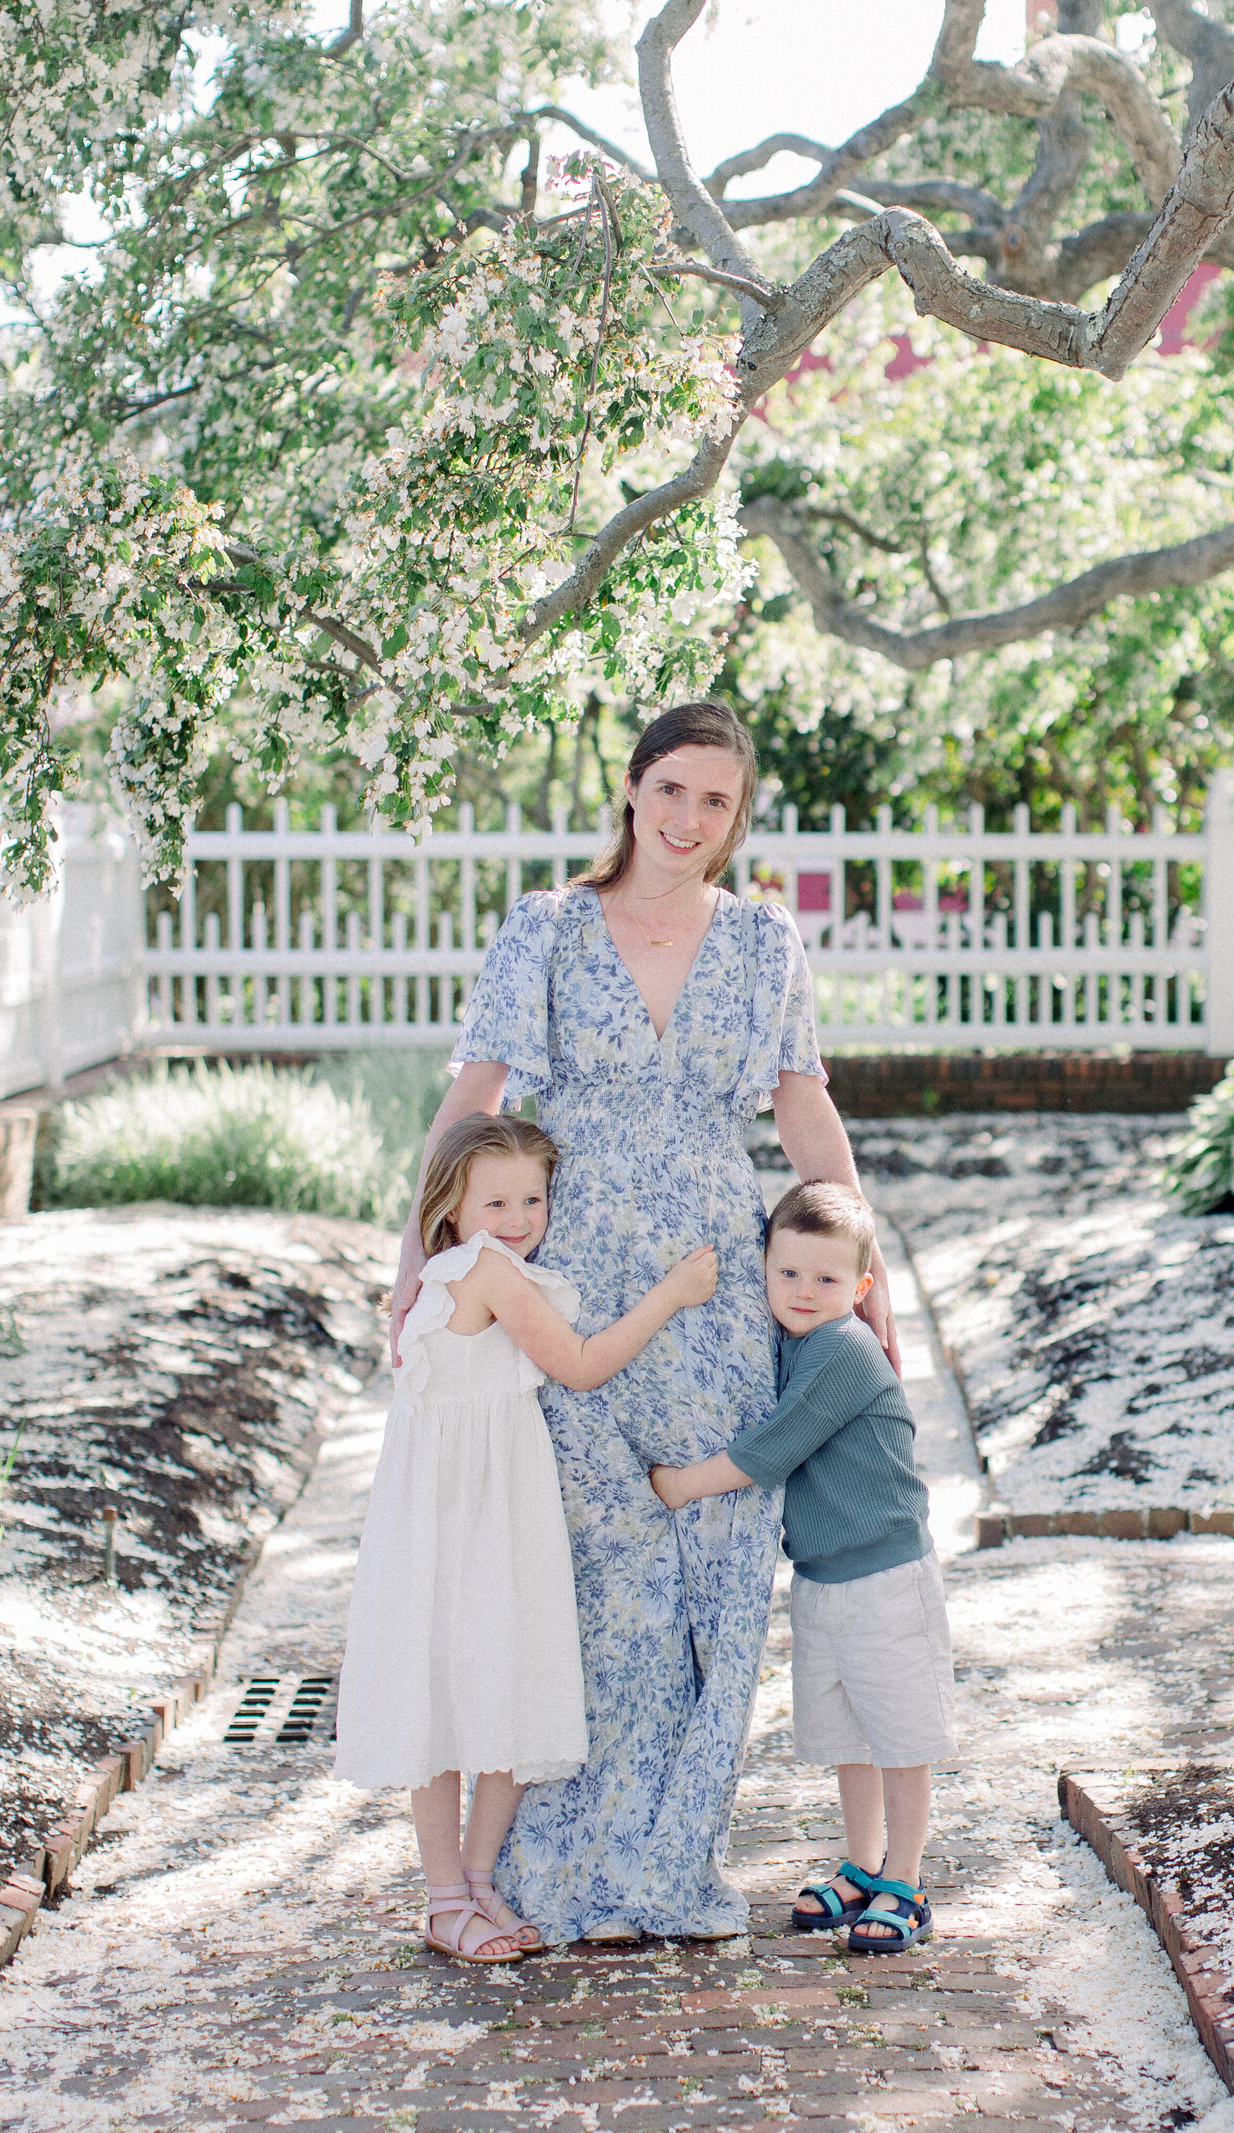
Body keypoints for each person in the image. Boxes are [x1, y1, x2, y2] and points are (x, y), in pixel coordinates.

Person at [386, 700, 898, 1943]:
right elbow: (473, 1100)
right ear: (631, 789)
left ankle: (669, 1861)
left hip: (718, 1286)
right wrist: (417, 1268)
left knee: (717, 1568)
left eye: (715, 800)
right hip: (561, 1283)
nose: (688, 819)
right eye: (671, 789)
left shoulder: (766, 943)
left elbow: (805, 1114)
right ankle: (551, 1870)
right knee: (582, 1572)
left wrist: (869, 1286)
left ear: (735, 815)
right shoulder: (546, 930)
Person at [335, 1113, 717, 1962]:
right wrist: (673, 1293)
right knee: (453, 1688)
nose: (517, 1216)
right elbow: (579, 1362)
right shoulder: (487, 1269)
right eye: (496, 1199)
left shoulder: (460, 1268)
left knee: (495, 1679)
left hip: (479, 1498)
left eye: (533, 1198)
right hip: (461, 1509)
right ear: (450, 1206)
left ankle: (476, 1883)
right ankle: (445, 1896)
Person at [649, 1181, 954, 1956]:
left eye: (826, 1280)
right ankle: (861, 1863)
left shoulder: (845, 1350)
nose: (804, 1292)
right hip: (820, 1574)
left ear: (860, 1288)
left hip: (884, 1572)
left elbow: (775, 1447)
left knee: (898, 1731)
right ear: (765, 1270)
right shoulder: (787, 1340)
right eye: (788, 1274)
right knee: (847, 1730)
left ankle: (907, 1883)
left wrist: (682, 1482)